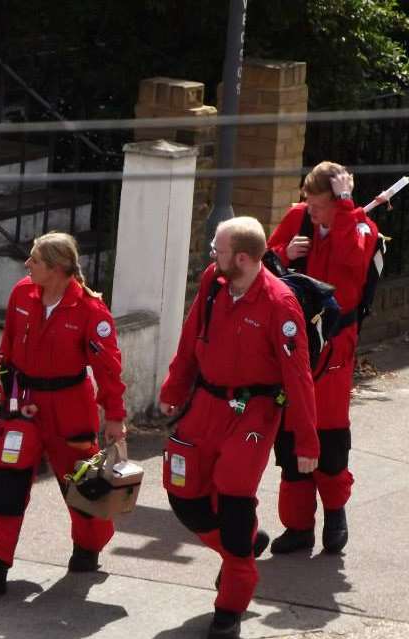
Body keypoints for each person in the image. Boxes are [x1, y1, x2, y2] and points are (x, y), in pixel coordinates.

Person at [160, 216, 319, 638]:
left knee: (233, 499)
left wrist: (306, 441)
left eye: (219, 249)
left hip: (254, 412)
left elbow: (299, 377)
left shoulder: (280, 306)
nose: (212, 254)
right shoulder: (215, 281)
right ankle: (244, 546)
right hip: (206, 402)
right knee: (182, 491)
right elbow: (192, 334)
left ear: (244, 258)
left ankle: (230, 603)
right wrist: (174, 386)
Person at [0, 231, 127, 595]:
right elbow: (7, 348)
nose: (27, 265)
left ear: (56, 268)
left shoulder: (90, 311)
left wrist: (114, 416)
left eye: (35, 260)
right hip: (24, 405)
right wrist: (3, 395)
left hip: (70, 408)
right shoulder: (22, 293)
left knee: (82, 483)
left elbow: (108, 369)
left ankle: (89, 546)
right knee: (7, 479)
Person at [265, 162, 382, 555]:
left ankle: (335, 512)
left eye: (317, 206)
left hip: (334, 346)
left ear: (337, 202)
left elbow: (353, 261)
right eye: (307, 203)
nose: (309, 212)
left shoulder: (362, 226)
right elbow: (263, 265)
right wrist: (283, 251)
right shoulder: (299, 219)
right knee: (290, 432)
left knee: (329, 434)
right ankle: (297, 526)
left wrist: (348, 211)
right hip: (293, 342)